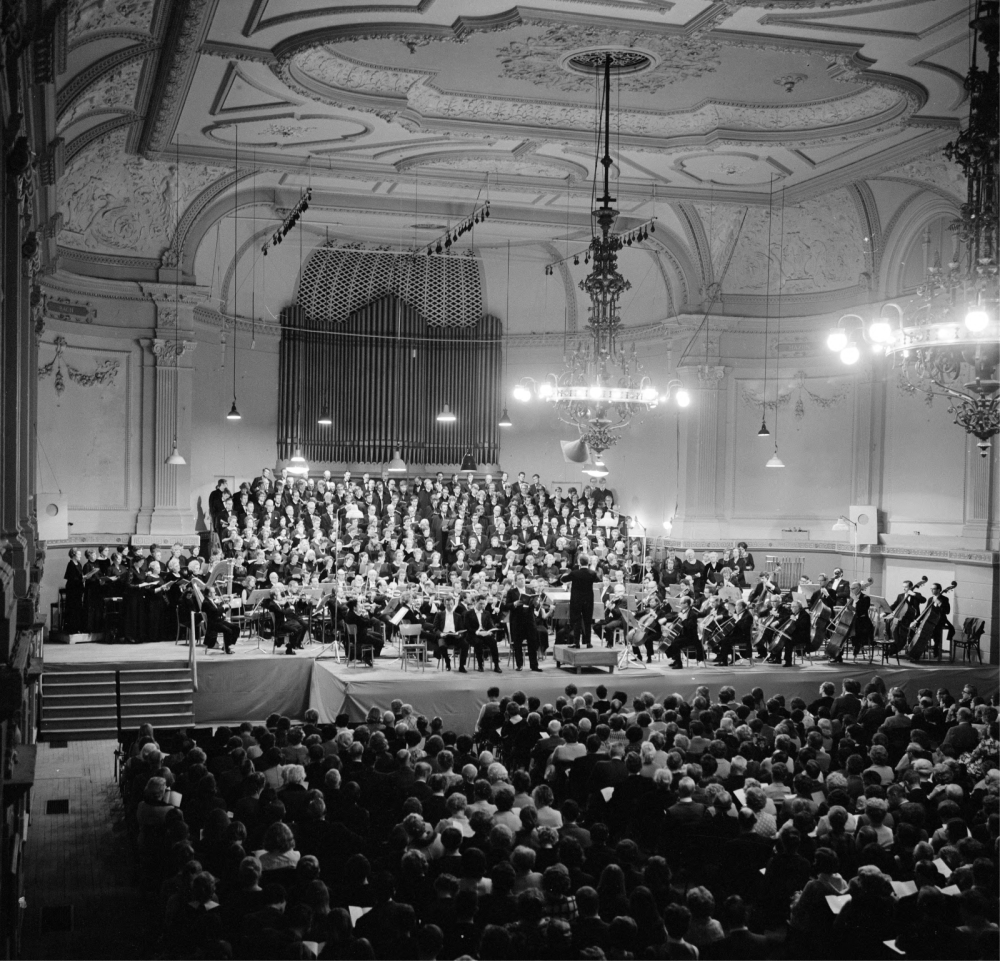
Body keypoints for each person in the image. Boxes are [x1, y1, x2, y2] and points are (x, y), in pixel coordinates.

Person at [561, 554, 600, 648]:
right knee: (588, 621)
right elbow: (598, 580)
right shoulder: (592, 573)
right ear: (588, 562)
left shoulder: (574, 573)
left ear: (579, 562)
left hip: (576, 600)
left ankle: (576, 642)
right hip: (588, 600)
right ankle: (588, 642)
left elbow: (563, 579)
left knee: (576, 621)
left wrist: (565, 574)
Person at [505, 574, 541, 672]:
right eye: (519, 579)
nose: (522, 580)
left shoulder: (531, 590)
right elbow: (506, 606)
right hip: (517, 620)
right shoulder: (511, 592)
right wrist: (514, 604)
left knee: (532, 642)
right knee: (518, 644)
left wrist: (536, 603)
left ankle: (534, 665)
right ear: (516, 581)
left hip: (529, 619)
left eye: (523, 578)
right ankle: (519, 665)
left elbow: (535, 605)